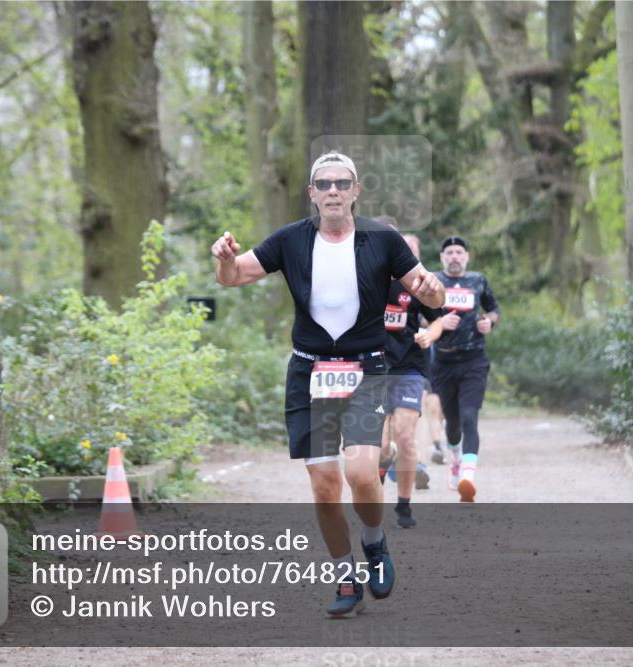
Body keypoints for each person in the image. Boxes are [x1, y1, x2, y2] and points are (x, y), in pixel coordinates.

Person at [210, 151, 445, 617]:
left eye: (342, 183)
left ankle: (375, 543)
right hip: (309, 371)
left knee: (361, 473)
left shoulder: (382, 238)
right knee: (323, 485)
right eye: (324, 184)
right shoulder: (291, 240)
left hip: (364, 368)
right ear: (312, 194)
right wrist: (224, 259)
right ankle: (345, 578)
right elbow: (234, 278)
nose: (333, 190)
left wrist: (432, 290)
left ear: (356, 191)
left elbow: (428, 290)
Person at [377, 232, 443, 528]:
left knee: (404, 436)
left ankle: (403, 506)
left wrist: (430, 333)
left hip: (408, 368)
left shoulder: (419, 286)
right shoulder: (369, 279)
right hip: (372, 368)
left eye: (413, 253)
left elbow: (438, 318)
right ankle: (379, 474)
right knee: (379, 447)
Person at [430, 236, 499, 502]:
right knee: (453, 423)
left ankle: (468, 477)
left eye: (459, 252)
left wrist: (489, 322)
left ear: (467, 256)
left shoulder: (478, 280)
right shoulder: (433, 282)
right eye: (449, 252)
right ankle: (456, 462)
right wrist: (438, 321)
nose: (455, 256)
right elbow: (419, 315)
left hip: (474, 361)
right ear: (442, 258)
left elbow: (493, 309)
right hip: (444, 362)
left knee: (470, 416)